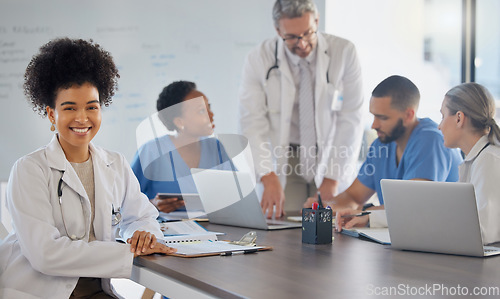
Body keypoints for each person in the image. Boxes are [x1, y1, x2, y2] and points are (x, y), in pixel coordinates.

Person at [0, 38, 176, 299]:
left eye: (91, 107)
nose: (82, 118)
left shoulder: (114, 164)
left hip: (96, 292)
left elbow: (142, 216)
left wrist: (144, 236)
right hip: (39, 292)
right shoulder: (29, 170)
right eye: (69, 108)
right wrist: (128, 252)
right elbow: (45, 255)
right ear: (51, 114)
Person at [238, 0, 364, 219]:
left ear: (317, 21)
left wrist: (333, 178)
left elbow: (351, 118)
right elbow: (252, 122)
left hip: (331, 152)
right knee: (284, 223)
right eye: (292, 37)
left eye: (308, 33)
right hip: (288, 157)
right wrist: (268, 177)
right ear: (278, 31)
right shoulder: (259, 58)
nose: (303, 43)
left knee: (332, 225)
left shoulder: (344, 52)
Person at [305, 75, 463, 230]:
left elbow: (410, 206)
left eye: (382, 118)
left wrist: (363, 213)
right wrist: (326, 207)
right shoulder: (381, 144)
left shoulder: (431, 140)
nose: (374, 125)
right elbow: (353, 197)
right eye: (373, 116)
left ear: (408, 115)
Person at [131, 81, 234, 213]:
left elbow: (235, 195)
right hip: (165, 230)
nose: (211, 115)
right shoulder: (152, 151)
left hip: (214, 229)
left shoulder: (215, 147)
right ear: (179, 122)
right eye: (202, 111)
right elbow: (125, 203)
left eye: (209, 107)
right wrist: (153, 205)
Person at [438, 82, 500, 244]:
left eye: (443, 116)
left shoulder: (489, 160)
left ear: (459, 118)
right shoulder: (475, 160)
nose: (439, 126)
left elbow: (484, 233)